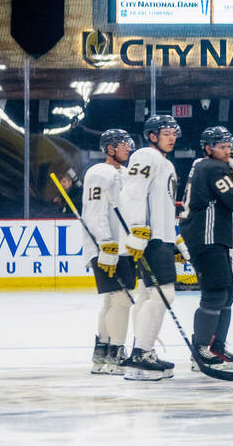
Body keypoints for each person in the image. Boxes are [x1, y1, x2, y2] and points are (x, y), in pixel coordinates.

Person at [180, 126, 233, 372]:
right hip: (206, 238)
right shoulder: (213, 167)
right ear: (208, 148)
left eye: (228, 146)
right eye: (221, 146)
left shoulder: (204, 165)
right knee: (215, 293)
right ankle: (200, 349)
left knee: (228, 291)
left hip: (210, 237)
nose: (227, 151)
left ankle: (215, 345)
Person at [117, 115, 183, 381]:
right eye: (166, 132)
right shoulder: (146, 155)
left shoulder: (163, 162)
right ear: (152, 135)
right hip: (151, 238)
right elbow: (132, 191)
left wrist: (174, 238)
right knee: (164, 293)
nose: (171, 137)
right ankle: (141, 353)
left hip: (160, 237)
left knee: (147, 294)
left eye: (174, 133)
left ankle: (142, 352)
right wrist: (136, 228)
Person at [82, 129, 136, 375]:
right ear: (109, 148)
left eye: (128, 143)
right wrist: (106, 244)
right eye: (122, 144)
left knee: (113, 299)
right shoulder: (99, 173)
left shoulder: (123, 173)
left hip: (120, 247)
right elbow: (94, 212)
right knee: (122, 299)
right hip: (108, 247)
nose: (128, 148)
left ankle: (102, 353)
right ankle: (116, 353)